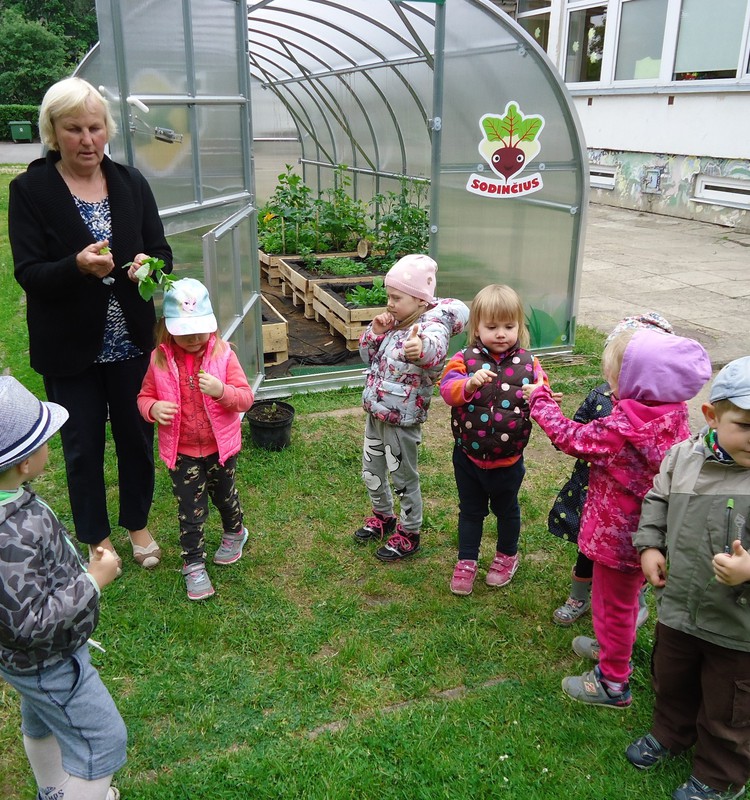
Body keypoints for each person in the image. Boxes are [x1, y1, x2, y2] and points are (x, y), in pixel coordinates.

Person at [8, 76, 173, 573]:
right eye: (73, 129)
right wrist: (75, 266)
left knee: (136, 438)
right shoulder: (31, 189)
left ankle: (137, 523)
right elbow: (28, 273)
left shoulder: (130, 183)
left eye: (95, 128)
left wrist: (149, 263)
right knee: (82, 447)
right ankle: (97, 539)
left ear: (108, 130)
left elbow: (161, 249)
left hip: (130, 344)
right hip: (69, 346)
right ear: (53, 132)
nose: (86, 140)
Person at [523, 327, 711, 708]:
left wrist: (539, 399)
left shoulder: (625, 428)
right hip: (644, 534)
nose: (610, 390)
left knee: (614, 605)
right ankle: (609, 648)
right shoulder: (671, 414)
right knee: (618, 603)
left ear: (639, 385)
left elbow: (569, 437)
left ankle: (612, 682)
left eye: (614, 380)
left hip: (619, 537)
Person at [627, 356, 750, 800]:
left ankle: (721, 774)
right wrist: (651, 546)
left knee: (730, 705)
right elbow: (657, 499)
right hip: (679, 606)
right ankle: (671, 732)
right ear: (712, 417)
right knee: (672, 677)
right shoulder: (683, 456)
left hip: (738, 626)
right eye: (745, 424)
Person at [0, 377, 125, 800]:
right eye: (45, 439)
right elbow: (28, 623)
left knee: (40, 719)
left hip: (22, 663)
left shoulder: (10, 501)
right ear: (24, 462)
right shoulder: (11, 533)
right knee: (102, 742)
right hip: (46, 660)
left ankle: (52, 789)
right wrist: (92, 580)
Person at [549, 312, 674, 627]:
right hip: (590, 489)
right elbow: (575, 430)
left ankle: (632, 604)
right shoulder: (600, 396)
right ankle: (578, 595)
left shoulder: (660, 416)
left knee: (626, 560)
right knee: (586, 548)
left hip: (627, 508)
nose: (609, 375)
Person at [137, 278, 254, 600]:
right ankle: (193, 564)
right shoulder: (159, 360)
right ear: (167, 327)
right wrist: (153, 408)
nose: (193, 337)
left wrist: (222, 392)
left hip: (221, 449)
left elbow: (245, 399)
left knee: (224, 497)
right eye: (184, 331)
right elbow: (144, 396)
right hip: (183, 451)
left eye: (199, 329)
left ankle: (235, 531)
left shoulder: (224, 356)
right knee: (190, 509)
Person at [353, 253, 469, 561]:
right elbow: (366, 356)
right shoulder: (394, 322)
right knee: (372, 470)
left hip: (401, 420)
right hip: (376, 412)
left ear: (420, 300)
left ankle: (409, 530)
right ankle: (383, 516)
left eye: (396, 297)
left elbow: (433, 352)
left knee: (403, 476)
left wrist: (419, 349)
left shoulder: (432, 326)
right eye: (388, 296)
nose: (389, 303)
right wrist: (375, 332)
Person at [439, 284, 549, 595]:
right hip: (468, 457)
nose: (501, 333)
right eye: (492, 327)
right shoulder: (464, 358)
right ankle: (467, 560)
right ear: (476, 327)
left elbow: (544, 392)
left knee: (507, 510)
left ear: (519, 327)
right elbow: (447, 390)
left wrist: (539, 395)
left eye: (509, 326)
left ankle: (506, 556)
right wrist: (469, 384)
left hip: (509, 460)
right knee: (471, 511)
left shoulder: (529, 364)